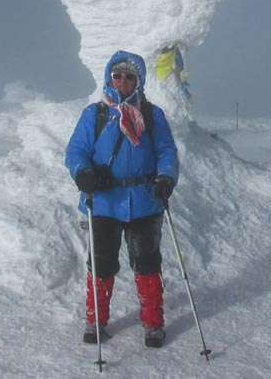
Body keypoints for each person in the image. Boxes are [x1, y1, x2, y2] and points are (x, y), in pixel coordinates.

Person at [65, 50, 179, 349]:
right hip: (103, 201)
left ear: (138, 80)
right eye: (117, 75)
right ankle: (96, 319)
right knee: (101, 263)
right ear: (108, 78)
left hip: (145, 199)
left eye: (130, 76)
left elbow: (166, 151)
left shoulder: (153, 115)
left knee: (147, 263)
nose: (123, 81)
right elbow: (76, 151)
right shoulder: (95, 114)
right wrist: (83, 174)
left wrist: (166, 178)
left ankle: (153, 322)